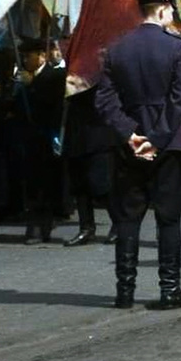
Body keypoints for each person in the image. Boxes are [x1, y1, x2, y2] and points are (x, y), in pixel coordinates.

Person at [94, 0, 181, 309]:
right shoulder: (177, 47)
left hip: (129, 146)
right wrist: (156, 137)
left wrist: (132, 136)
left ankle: (124, 292)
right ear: (164, 9)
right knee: (168, 219)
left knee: (128, 218)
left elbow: (105, 101)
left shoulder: (117, 49)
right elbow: (180, 99)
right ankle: (170, 289)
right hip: (168, 144)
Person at [14, 38, 67, 244]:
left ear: (41, 56)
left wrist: (32, 86)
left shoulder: (53, 76)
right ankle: (36, 222)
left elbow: (53, 105)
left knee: (46, 183)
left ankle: (42, 223)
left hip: (47, 137)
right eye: (23, 57)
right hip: (27, 139)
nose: (25, 60)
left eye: (28, 56)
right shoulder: (22, 79)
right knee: (32, 183)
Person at [62, 85, 118, 246]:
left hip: (98, 135)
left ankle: (118, 224)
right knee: (80, 186)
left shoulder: (99, 73)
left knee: (102, 185)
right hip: (76, 134)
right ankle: (86, 227)